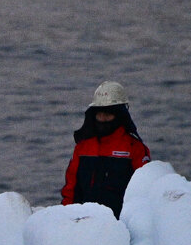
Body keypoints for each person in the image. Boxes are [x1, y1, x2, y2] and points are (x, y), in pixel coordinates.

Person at [61, 80, 151, 216]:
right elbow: (71, 189)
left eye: (108, 115)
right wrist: (66, 216)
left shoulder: (134, 148)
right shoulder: (82, 147)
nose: (102, 119)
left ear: (119, 115)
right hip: (84, 223)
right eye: (99, 114)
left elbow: (145, 190)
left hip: (120, 225)